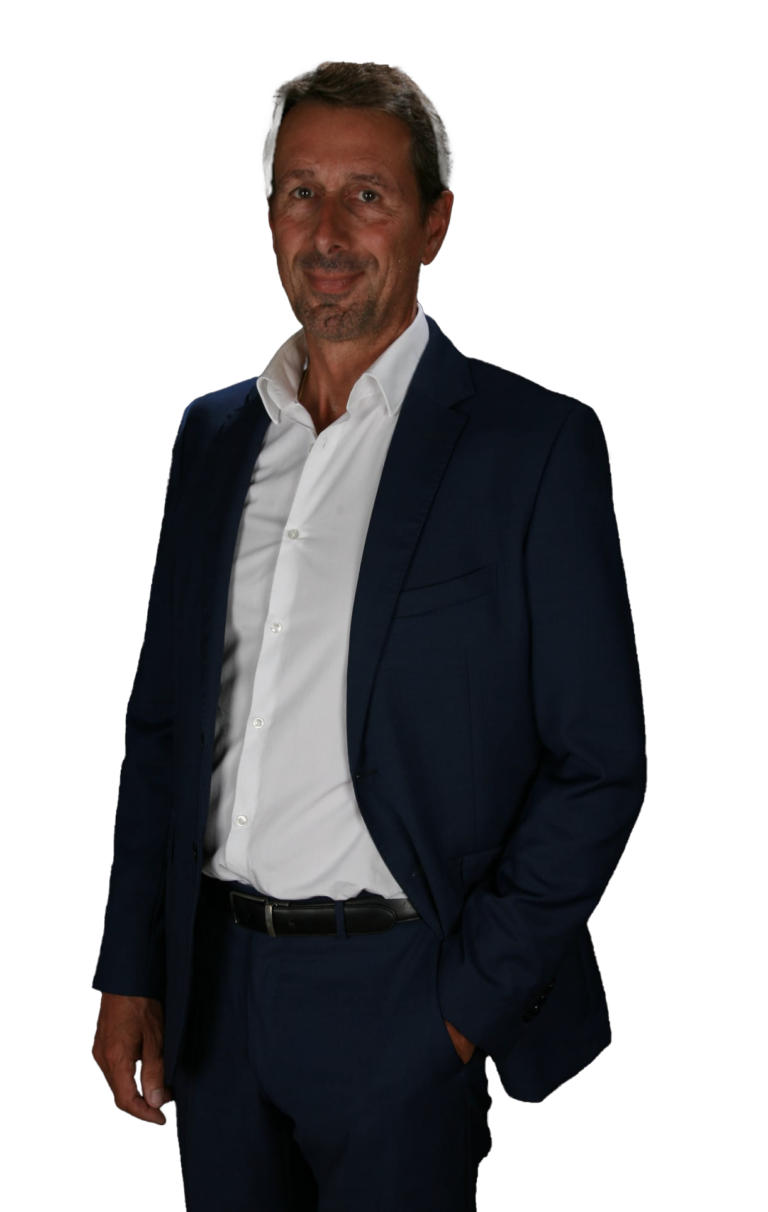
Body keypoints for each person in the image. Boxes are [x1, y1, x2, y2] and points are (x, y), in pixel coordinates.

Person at [91, 59, 645, 1211]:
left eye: (368, 195)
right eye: (302, 192)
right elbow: (160, 727)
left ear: (434, 224)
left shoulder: (531, 446)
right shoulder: (211, 437)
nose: (330, 231)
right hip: (212, 996)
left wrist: (463, 1007)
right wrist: (130, 972)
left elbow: (599, 762)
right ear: (269, 217)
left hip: (403, 993)